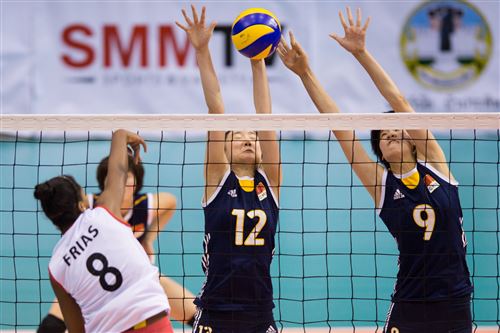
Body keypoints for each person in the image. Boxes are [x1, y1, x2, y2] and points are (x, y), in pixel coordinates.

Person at [277, 7, 472, 333]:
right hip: (411, 303)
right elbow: (340, 128)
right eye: (383, 133)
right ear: (379, 149)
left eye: (396, 127)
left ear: (412, 139)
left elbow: (400, 101)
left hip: (455, 300)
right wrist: (305, 73)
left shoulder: (437, 166)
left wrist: (362, 53)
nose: (392, 131)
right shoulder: (382, 184)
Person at [176, 5, 281, 333]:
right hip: (216, 312)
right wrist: (202, 49)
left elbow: (265, 119)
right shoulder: (217, 180)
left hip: (260, 311)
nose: (249, 139)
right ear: (224, 147)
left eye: (253, 138)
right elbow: (216, 109)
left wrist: (257, 62)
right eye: (239, 137)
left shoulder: (271, 183)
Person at [34, 129, 174, 333]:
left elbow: (77, 330)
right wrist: (121, 136)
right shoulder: (104, 213)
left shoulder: (56, 267)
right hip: (151, 322)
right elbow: (117, 170)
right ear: (83, 203)